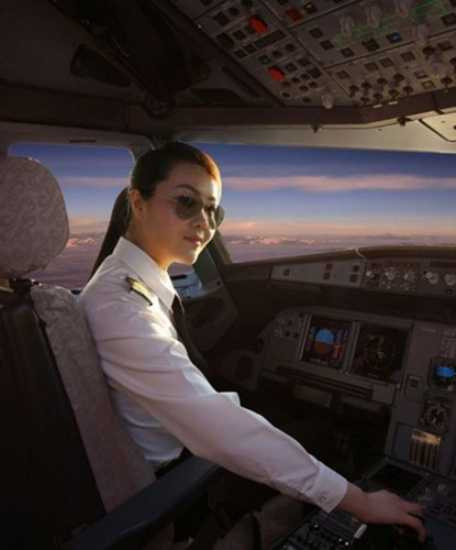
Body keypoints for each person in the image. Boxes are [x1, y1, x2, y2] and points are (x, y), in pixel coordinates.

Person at [79, 142, 426, 542]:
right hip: (172, 482)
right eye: (186, 203)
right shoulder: (122, 305)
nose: (205, 223)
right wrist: (358, 500)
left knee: (298, 428)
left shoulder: (126, 282)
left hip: (172, 451)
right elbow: (216, 427)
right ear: (138, 203)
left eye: (214, 211)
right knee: (324, 439)